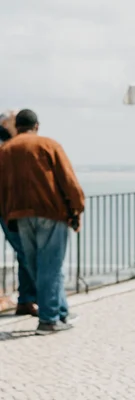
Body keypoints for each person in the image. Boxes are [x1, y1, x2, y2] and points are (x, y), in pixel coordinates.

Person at [0, 109, 85, 334]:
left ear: (16, 127)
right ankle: (49, 320)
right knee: (51, 266)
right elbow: (68, 181)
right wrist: (77, 210)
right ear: (36, 125)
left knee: (38, 266)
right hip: (50, 213)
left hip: (19, 216)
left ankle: (60, 312)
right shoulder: (48, 145)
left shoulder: (5, 150)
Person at [0, 110, 37, 316]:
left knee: (24, 252)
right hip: (8, 207)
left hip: (10, 207)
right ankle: (28, 299)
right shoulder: (7, 146)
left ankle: (26, 299)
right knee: (25, 252)